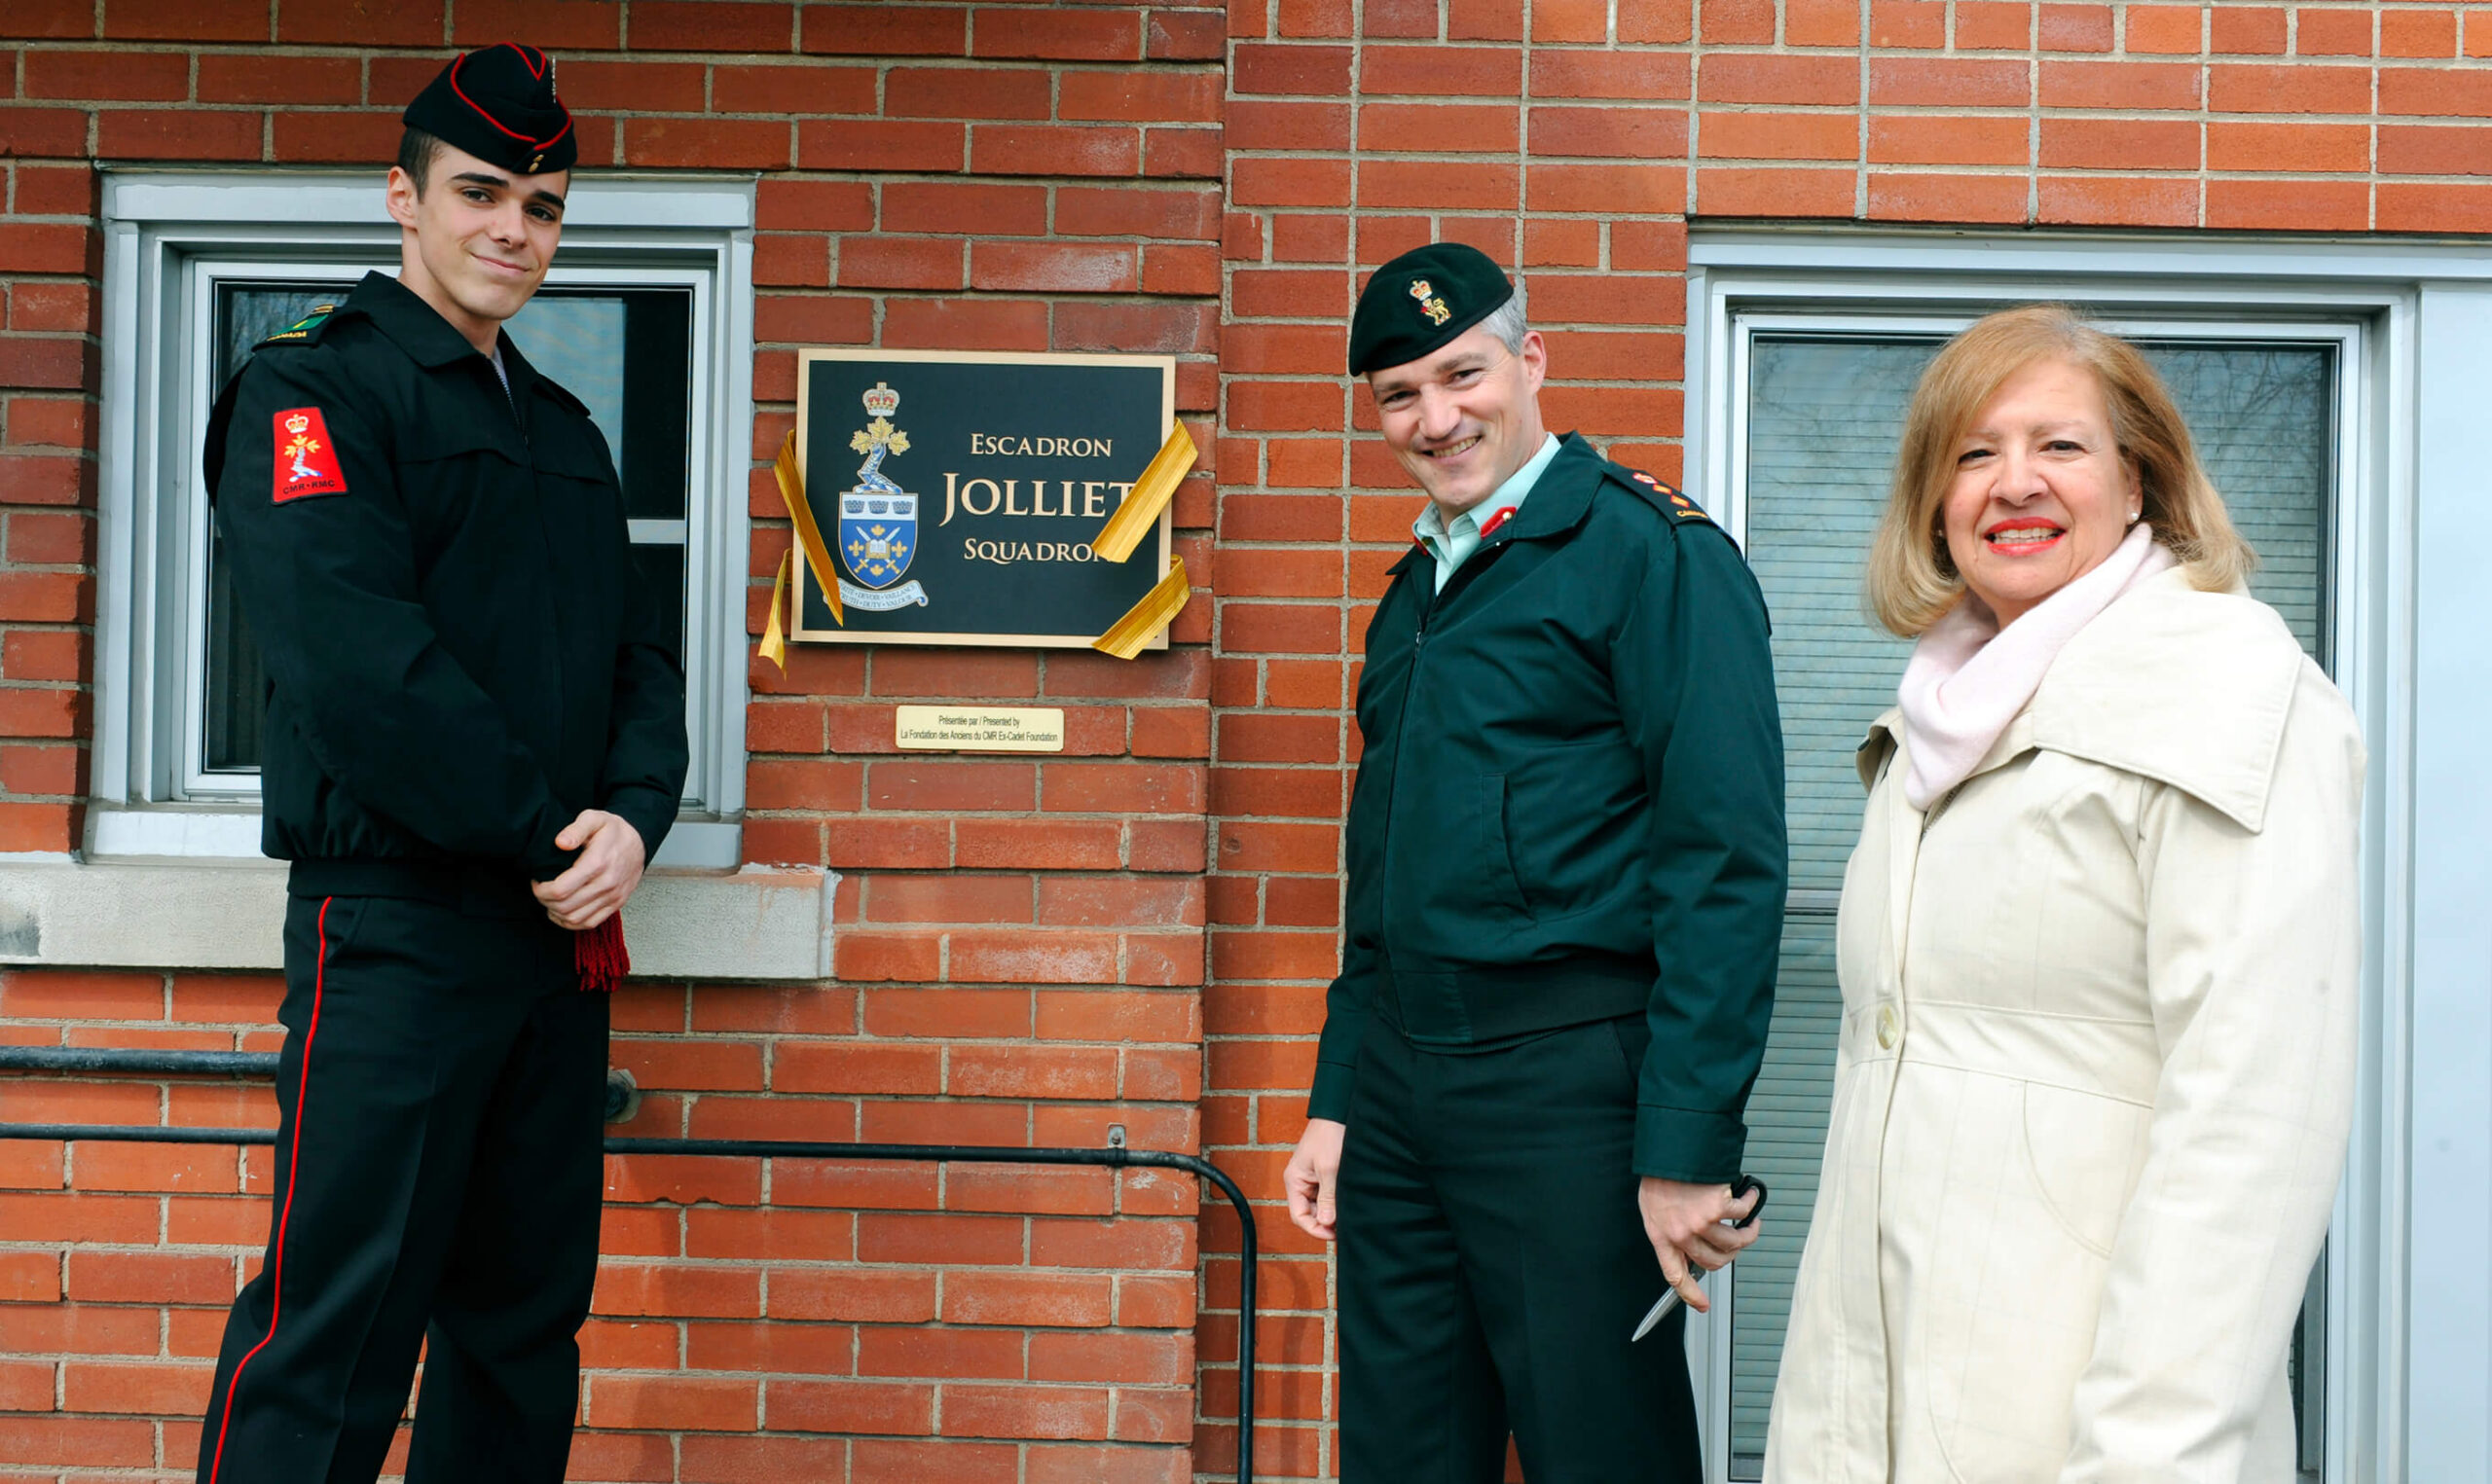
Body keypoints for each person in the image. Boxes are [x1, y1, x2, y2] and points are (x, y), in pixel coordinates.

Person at [193, 44, 686, 1484]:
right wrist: (553, 836)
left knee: (521, 1335)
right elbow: (359, 672)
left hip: (554, 944)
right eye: (480, 193)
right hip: (396, 932)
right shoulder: (319, 392)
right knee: (331, 1332)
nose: (511, 233)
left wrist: (636, 825)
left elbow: (639, 661)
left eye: (542, 207)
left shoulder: (570, 435)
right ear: (399, 198)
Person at [1764, 305, 2363, 1482]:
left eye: (2061, 446)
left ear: (2140, 482)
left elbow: (2250, 1126)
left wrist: (2147, 1453)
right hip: (1870, 1421)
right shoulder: (1934, 722)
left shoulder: (2231, 696)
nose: (2012, 484)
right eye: (1973, 453)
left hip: (2075, 1432)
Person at [1279, 241, 1788, 1482]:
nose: (1436, 417)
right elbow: (1381, 874)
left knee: (1596, 1445)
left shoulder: (1650, 555)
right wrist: (1342, 1090)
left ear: (1531, 361)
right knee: (1402, 1451)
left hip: (1566, 1086)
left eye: (1464, 375)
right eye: (1400, 394)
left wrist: (1685, 1144)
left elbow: (1722, 861)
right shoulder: (1413, 594)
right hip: (1400, 1090)